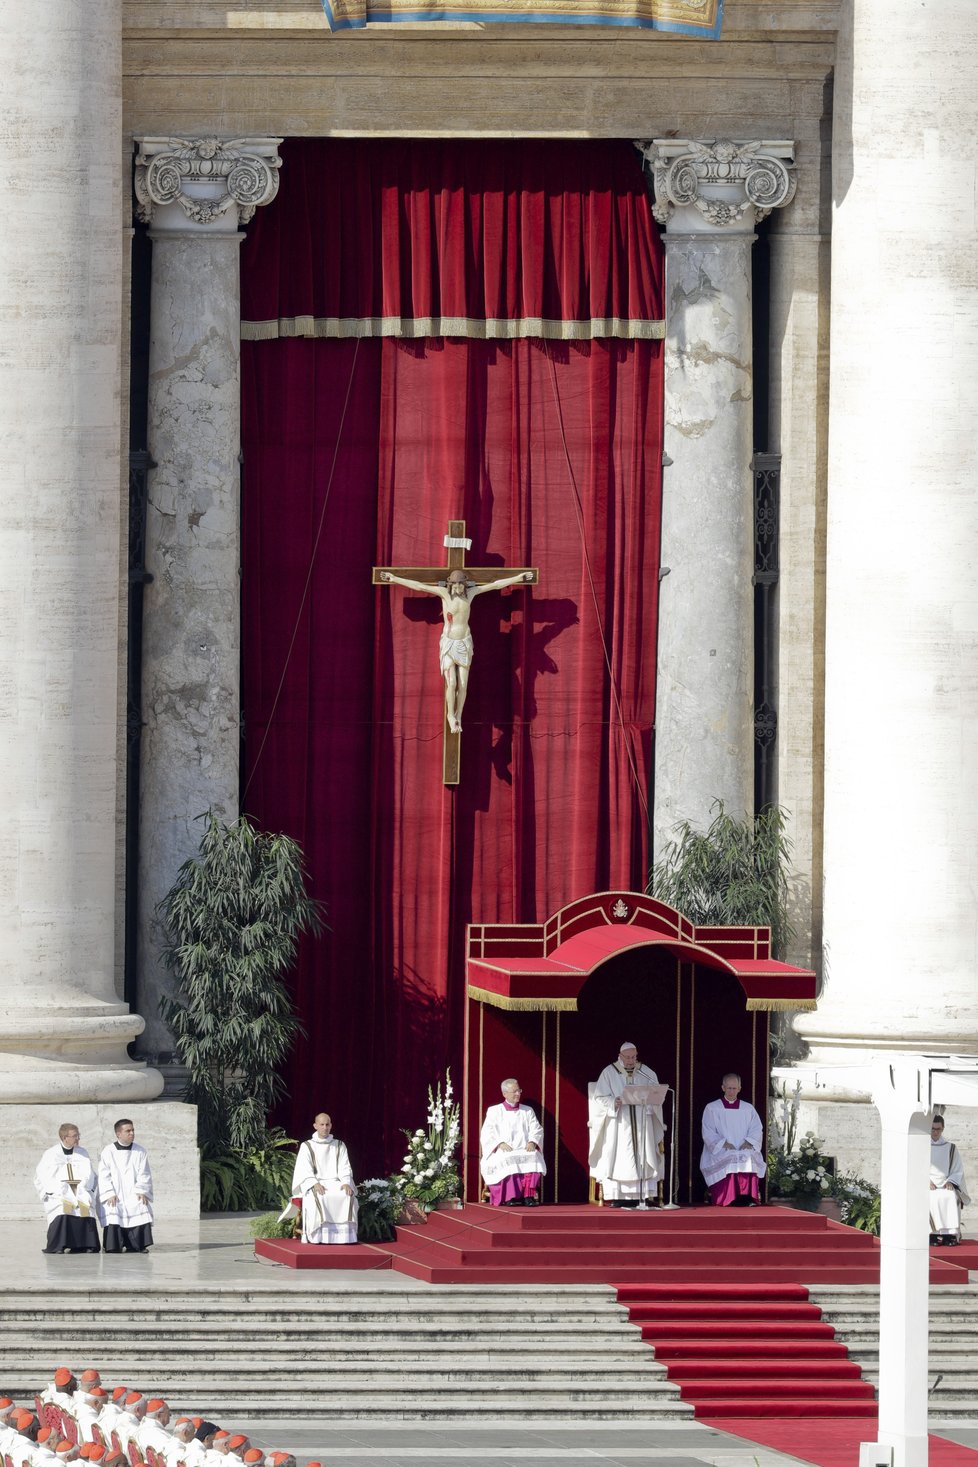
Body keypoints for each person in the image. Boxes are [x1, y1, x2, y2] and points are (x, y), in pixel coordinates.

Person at [379, 567, 534, 733]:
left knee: (463, 684)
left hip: (464, 643)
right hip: (448, 644)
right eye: (456, 585)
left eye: (461, 585)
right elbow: (419, 586)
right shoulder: (444, 594)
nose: (459, 588)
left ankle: (458, 714)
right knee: (451, 683)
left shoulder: (471, 593)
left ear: (465, 585)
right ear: (451, 585)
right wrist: (393, 578)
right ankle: (450, 716)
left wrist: (518, 577)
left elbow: (496, 585)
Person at [588, 1043, 664, 1207]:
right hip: (620, 1124)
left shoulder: (646, 1072)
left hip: (642, 1121)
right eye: (628, 1057)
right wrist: (613, 1102)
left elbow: (657, 1093)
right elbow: (599, 1097)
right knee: (622, 1157)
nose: (631, 1061)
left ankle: (643, 1196)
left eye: (633, 1057)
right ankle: (619, 1196)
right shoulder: (609, 1072)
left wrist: (651, 1101)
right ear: (620, 1056)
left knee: (644, 1153)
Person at [289, 1113, 358, 1244]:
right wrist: (314, 1183)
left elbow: (345, 1166)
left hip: (335, 1182)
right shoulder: (307, 1146)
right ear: (315, 1126)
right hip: (316, 1182)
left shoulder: (339, 1145)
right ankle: (319, 1236)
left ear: (331, 1125)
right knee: (319, 1196)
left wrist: (345, 1182)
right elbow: (304, 1168)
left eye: (327, 1124)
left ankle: (344, 1237)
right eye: (322, 1124)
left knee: (347, 1195)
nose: (325, 1127)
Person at [700, 1072, 767, 1206]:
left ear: (739, 1089)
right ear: (723, 1088)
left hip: (744, 1146)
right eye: (729, 1088)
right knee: (730, 1156)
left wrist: (749, 1142)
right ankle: (728, 1198)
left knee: (748, 1156)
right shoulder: (712, 1108)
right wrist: (723, 1143)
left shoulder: (748, 1108)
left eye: (734, 1088)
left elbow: (756, 1128)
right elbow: (708, 1131)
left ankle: (748, 1198)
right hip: (721, 1148)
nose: (731, 1091)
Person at [480, 1079, 546, 1206]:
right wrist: (499, 1143)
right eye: (514, 1091)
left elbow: (536, 1128)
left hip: (524, 1148)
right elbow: (488, 1132)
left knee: (534, 1156)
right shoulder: (494, 1110)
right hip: (504, 1149)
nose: (518, 1094)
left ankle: (528, 1196)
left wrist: (532, 1141)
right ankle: (510, 1197)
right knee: (509, 1158)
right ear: (504, 1094)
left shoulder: (527, 1110)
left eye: (519, 1091)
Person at [34, 1126, 100, 1254]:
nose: (78, 1138)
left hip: (80, 1190)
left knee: (84, 1208)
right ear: (65, 1138)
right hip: (59, 1192)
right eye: (75, 1136)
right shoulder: (51, 1154)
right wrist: (50, 1192)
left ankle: (85, 1245)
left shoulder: (82, 1152)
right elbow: (40, 1176)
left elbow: (90, 1174)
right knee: (62, 1209)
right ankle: (60, 1245)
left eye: (78, 1135)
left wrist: (88, 1190)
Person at [98, 1119, 154, 1254]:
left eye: (133, 1130)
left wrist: (141, 1190)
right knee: (114, 1207)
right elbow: (103, 1174)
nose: (132, 1133)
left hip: (134, 1191)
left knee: (141, 1203)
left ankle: (138, 1245)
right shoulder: (108, 1151)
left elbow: (144, 1173)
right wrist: (109, 1192)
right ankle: (113, 1245)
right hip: (115, 1193)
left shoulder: (140, 1151)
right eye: (128, 1131)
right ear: (118, 1133)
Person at [930, 1113, 970, 1245]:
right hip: (929, 1185)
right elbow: (916, 1166)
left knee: (951, 1196)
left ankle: (949, 1235)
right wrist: (926, 1181)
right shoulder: (922, 1146)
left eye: (938, 1129)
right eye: (933, 1129)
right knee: (931, 1197)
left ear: (943, 1129)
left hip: (945, 1183)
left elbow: (957, 1168)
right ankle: (933, 1235)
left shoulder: (951, 1148)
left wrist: (950, 1181)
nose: (935, 1132)